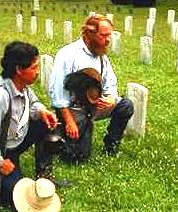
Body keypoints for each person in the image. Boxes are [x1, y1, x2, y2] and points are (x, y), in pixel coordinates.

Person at [0, 41, 65, 208]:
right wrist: (0, 163)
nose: (38, 72)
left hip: (13, 144)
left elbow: (32, 103)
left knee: (46, 122)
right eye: (33, 68)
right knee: (19, 197)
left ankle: (44, 175)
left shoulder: (21, 86)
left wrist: (41, 111)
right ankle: (6, 175)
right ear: (19, 69)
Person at [49, 14, 134, 162]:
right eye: (104, 35)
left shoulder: (101, 56)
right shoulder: (68, 54)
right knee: (77, 158)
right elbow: (58, 94)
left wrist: (111, 99)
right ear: (89, 34)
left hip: (95, 107)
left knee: (125, 106)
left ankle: (111, 146)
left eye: (109, 36)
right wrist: (69, 121)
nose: (108, 40)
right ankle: (60, 130)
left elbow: (110, 83)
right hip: (74, 110)